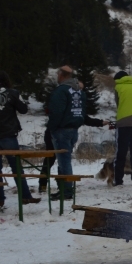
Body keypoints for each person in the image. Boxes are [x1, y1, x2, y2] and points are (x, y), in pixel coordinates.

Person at [0, 71, 41, 207]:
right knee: (16, 167)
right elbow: (23, 109)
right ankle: (25, 196)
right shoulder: (12, 93)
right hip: (8, 135)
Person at [39, 77, 108, 193]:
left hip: (59, 131)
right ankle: (49, 184)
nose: (80, 89)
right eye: (80, 86)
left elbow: (64, 113)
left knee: (61, 161)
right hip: (67, 131)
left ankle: (65, 189)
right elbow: (79, 116)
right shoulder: (73, 94)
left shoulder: (65, 93)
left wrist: (99, 122)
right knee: (57, 160)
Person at [47, 65, 85, 200]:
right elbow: (83, 110)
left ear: (61, 75)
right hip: (74, 129)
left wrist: (52, 127)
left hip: (61, 129)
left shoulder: (61, 91)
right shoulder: (78, 91)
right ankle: (63, 188)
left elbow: (56, 112)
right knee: (65, 160)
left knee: (64, 162)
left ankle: (67, 190)